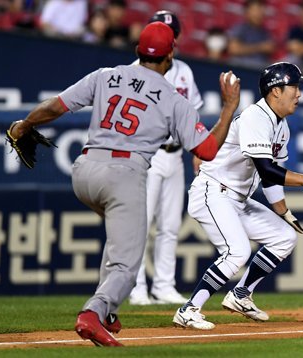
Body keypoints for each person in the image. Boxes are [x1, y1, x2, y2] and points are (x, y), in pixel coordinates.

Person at [6, 22, 240, 346]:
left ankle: (109, 312)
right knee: (127, 266)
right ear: (171, 54)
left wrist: (24, 125)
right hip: (124, 175)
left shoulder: (105, 75)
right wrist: (229, 107)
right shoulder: (173, 98)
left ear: (137, 51)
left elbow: (56, 106)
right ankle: (92, 314)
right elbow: (207, 150)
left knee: (119, 242)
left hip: (84, 171)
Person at [172, 62, 303, 330]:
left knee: (284, 237)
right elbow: (266, 167)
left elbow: (270, 177)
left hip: (236, 199)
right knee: (236, 251)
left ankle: (240, 295)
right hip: (212, 190)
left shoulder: (281, 127)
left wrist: (283, 211)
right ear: (275, 92)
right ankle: (189, 309)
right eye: (294, 87)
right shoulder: (255, 117)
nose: (299, 94)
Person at [129, 10, 205, 306]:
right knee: (140, 224)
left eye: (171, 33)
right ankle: (134, 286)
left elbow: (194, 111)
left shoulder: (184, 71)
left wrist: (197, 149)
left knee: (170, 224)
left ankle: (163, 284)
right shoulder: (134, 69)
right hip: (147, 154)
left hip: (175, 154)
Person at [227, 0, 275, 68]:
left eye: (261, 9)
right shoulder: (240, 28)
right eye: (255, 10)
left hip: (259, 71)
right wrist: (261, 47)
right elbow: (233, 49)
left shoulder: (265, 33)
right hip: (241, 69)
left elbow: (270, 49)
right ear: (247, 12)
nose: (259, 13)